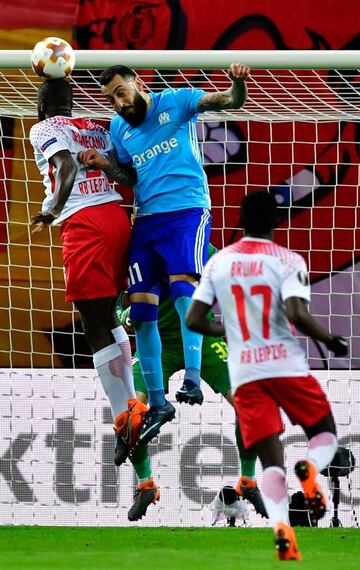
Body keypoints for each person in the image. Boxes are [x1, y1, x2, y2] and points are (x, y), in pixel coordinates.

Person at [79, 62, 250, 445]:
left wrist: (237, 83)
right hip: (148, 220)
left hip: (186, 210)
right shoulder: (120, 128)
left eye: (122, 92)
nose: (119, 103)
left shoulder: (177, 101)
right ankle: (158, 402)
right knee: (140, 311)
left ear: (137, 83)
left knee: (184, 287)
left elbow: (229, 101)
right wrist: (107, 164)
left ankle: (192, 378)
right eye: (111, 98)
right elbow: (131, 177)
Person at [186, 190, 348, 561]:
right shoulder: (288, 260)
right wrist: (328, 339)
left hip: (245, 372)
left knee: (270, 462)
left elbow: (194, 319)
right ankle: (310, 468)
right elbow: (296, 312)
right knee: (324, 432)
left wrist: (226, 331)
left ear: (240, 222)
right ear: (277, 222)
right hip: (285, 365)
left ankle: (282, 533)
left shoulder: (219, 263)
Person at [29, 78, 147, 467]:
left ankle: (122, 417)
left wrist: (50, 209)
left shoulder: (44, 128)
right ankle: (131, 406)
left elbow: (62, 165)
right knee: (109, 318)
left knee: (93, 325)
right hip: (117, 218)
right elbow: (127, 175)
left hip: (85, 223)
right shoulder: (97, 127)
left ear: (42, 106)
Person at [116, 244, 267, 522]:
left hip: (203, 339)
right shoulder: (133, 248)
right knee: (130, 414)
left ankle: (248, 480)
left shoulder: (198, 244)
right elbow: (113, 297)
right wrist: (123, 315)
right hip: (155, 345)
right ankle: (145, 485)